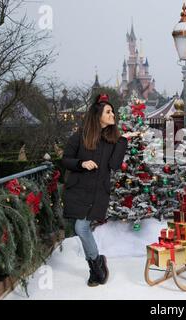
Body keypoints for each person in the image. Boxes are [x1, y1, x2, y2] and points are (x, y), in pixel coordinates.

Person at [61, 93, 137, 287]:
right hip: (79, 190)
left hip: (97, 192)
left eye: (113, 112)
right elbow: (65, 159)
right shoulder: (80, 136)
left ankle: (95, 266)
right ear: (98, 115)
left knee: (81, 227)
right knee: (81, 227)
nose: (113, 115)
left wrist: (123, 141)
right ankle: (96, 266)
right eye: (109, 112)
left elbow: (115, 165)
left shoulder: (113, 140)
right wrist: (81, 163)